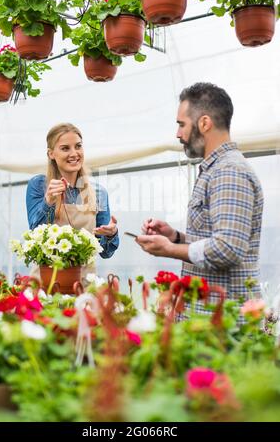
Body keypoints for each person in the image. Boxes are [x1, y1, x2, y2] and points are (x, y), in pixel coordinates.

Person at [136, 82, 263, 313]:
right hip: (210, 319)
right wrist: (174, 237)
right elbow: (215, 238)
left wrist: (168, 249)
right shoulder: (216, 169)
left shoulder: (229, 171)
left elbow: (227, 248)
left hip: (223, 323)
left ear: (204, 123)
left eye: (182, 124)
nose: (178, 134)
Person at [26, 123, 119, 282]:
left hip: (83, 284)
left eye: (78, 146)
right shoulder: (39, 185)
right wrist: (48, 201)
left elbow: (105, 252)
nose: (74, 153)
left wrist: (111, 234)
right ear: (51, 154)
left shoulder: (98, 193)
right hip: (46, 283)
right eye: (65, 148)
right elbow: (35, 234)